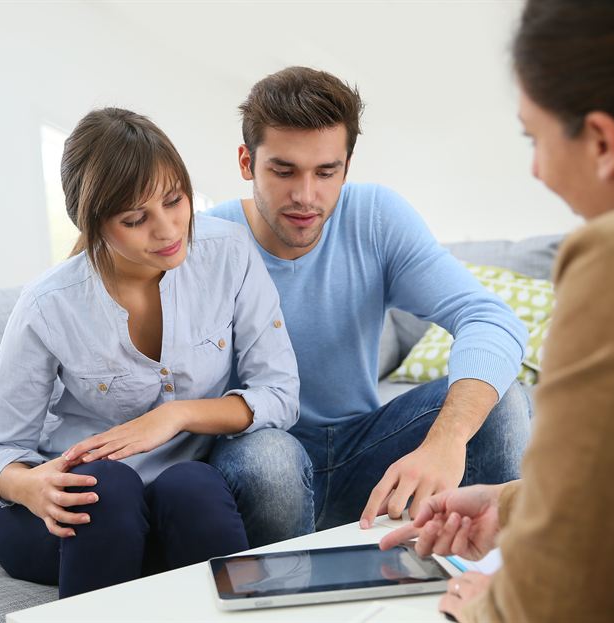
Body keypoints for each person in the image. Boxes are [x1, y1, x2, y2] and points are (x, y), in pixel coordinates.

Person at [380, 1, 614, 621]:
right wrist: (513, 506)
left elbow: (566, 585)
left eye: (534, 138)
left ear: (602, 141)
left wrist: (484, 610)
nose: (538, 170)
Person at [0, 107, 300, 598]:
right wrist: (30, 488)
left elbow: (280, 395)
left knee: (195, 485)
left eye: (175, 200)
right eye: (135, 219)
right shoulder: (47, 304)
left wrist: (176, 415)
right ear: (93, 224)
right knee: (108, 487)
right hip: (74, 511)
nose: (167, 230)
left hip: (174, 508)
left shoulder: (228, 253)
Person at [206, 66, 532, 545]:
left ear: (347, 166)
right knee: (270, 457)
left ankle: (496, 577)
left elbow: (489, 318)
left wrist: (447, 439)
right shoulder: (206, 240)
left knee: (501, 400)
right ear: (245, 161)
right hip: (259, 453)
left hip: (363, 450)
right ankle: (288, 584)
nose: (305, 196)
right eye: (283, 170)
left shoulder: (376, 217)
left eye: (326, 172)